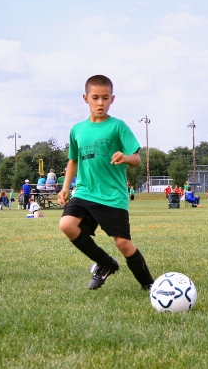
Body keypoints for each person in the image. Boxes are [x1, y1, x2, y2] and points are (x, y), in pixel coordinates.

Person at [57, 74, 154, 292]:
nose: (100, 102)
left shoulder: (118, 126)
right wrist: (65, 188)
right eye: (95, 97)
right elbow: (73, 161)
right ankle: (105, 263)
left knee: (123, 243)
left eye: (105, 98)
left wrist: (126, 157)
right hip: (84, 191)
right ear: (86, 98)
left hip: (112, 195)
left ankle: (148, 284)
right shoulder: (77, 130)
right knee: (67, 225)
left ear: (112, 99)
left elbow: (137, 159)